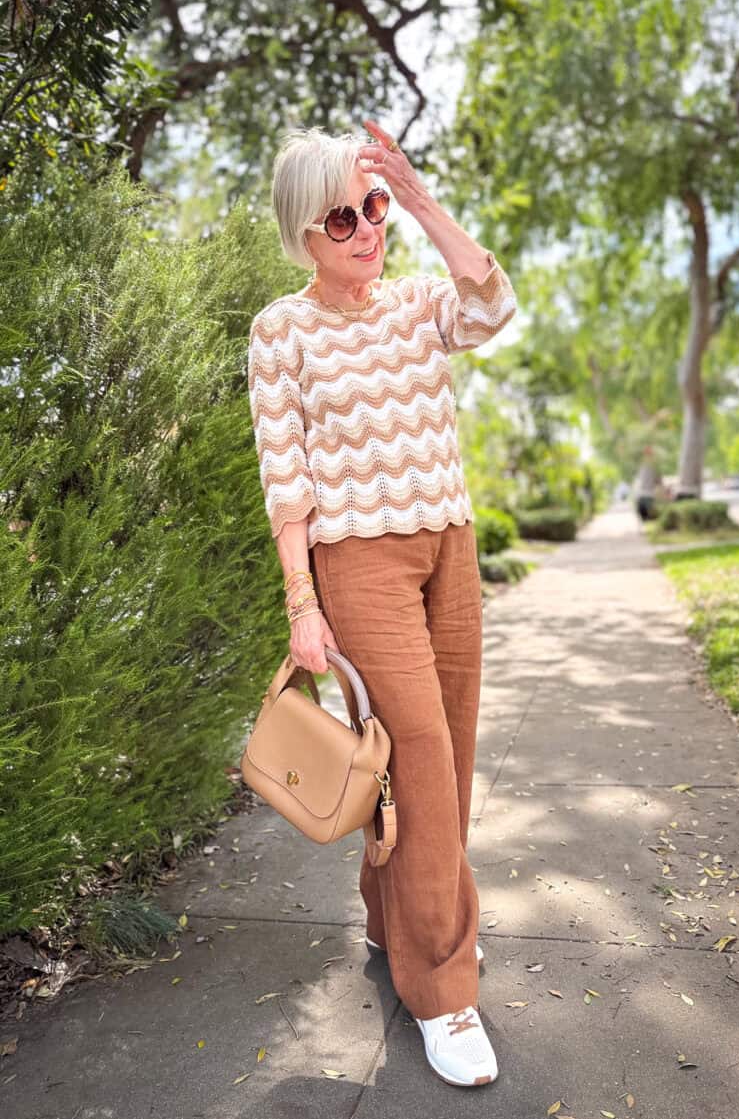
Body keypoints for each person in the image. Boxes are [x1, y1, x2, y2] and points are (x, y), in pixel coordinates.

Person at [247, 120, 517, 1087]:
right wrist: (300, 603)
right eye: (342, 217)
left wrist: (422, 198)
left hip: (448, 546)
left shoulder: (413, 303)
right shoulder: (281, 331)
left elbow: (491, 307)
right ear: (303, 235)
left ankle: (392, 916)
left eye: (374, 209)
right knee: (429, 767)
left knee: (448, 747)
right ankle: (443, 991)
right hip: (358, 568)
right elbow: (289, 480)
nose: (366, 228)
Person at [633, 445, 660, 522]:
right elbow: (658, 481)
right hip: (644, 494)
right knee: (646, 516)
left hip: (648, 494)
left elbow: (657, 480)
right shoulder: (644, 464)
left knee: (648, 516)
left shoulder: (653, 465)